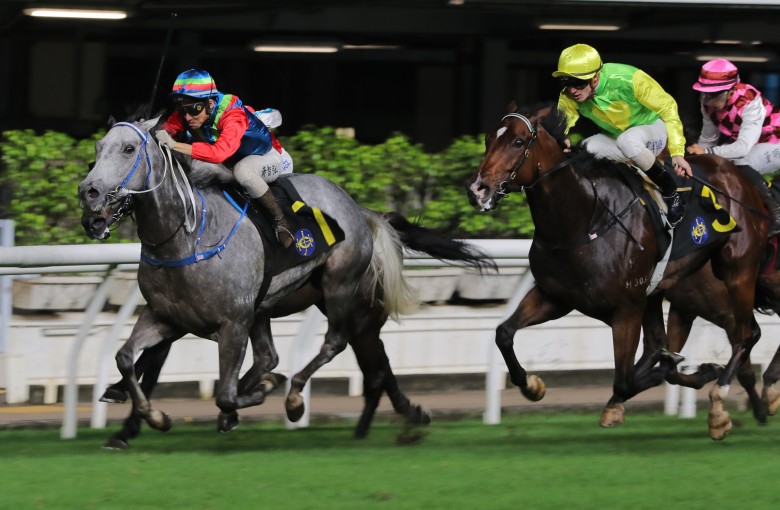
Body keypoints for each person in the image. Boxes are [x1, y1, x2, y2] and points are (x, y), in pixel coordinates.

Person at [553, 43, 692, 227]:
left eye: (578, 83)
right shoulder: (569, 95)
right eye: (567, 83)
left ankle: (671, 191)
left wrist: (677, 152)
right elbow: (560, 121)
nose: (572, 91)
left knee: (628, 141)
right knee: (583, 151)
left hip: (651, 129)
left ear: (595, 78)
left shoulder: (629, 79)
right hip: (618, 138)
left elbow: (668, 108)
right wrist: (560, 137)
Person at [155, 69, 295, 248]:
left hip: (268, 157)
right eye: (183, 110)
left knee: (243, 172)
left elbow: (219, 153)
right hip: (231, 162)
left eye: (194, 110)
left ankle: (281, 222)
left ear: (210, 103)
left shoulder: (233, 115)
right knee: (197, 170)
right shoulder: (191, 110)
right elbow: (168, 128)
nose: (187, 117)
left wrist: (174, 145)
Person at [686, 58, 780, 236]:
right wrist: (698, 158)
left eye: (714, 94)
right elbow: (708, 138)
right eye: (705, 93)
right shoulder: (706, 101)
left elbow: (743, 148)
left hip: (774, 142)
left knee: (741, 163)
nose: (708, 99)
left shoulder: (750, 102)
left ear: (731, 91)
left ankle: (777, 213)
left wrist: (707, 152)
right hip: (750, 143)